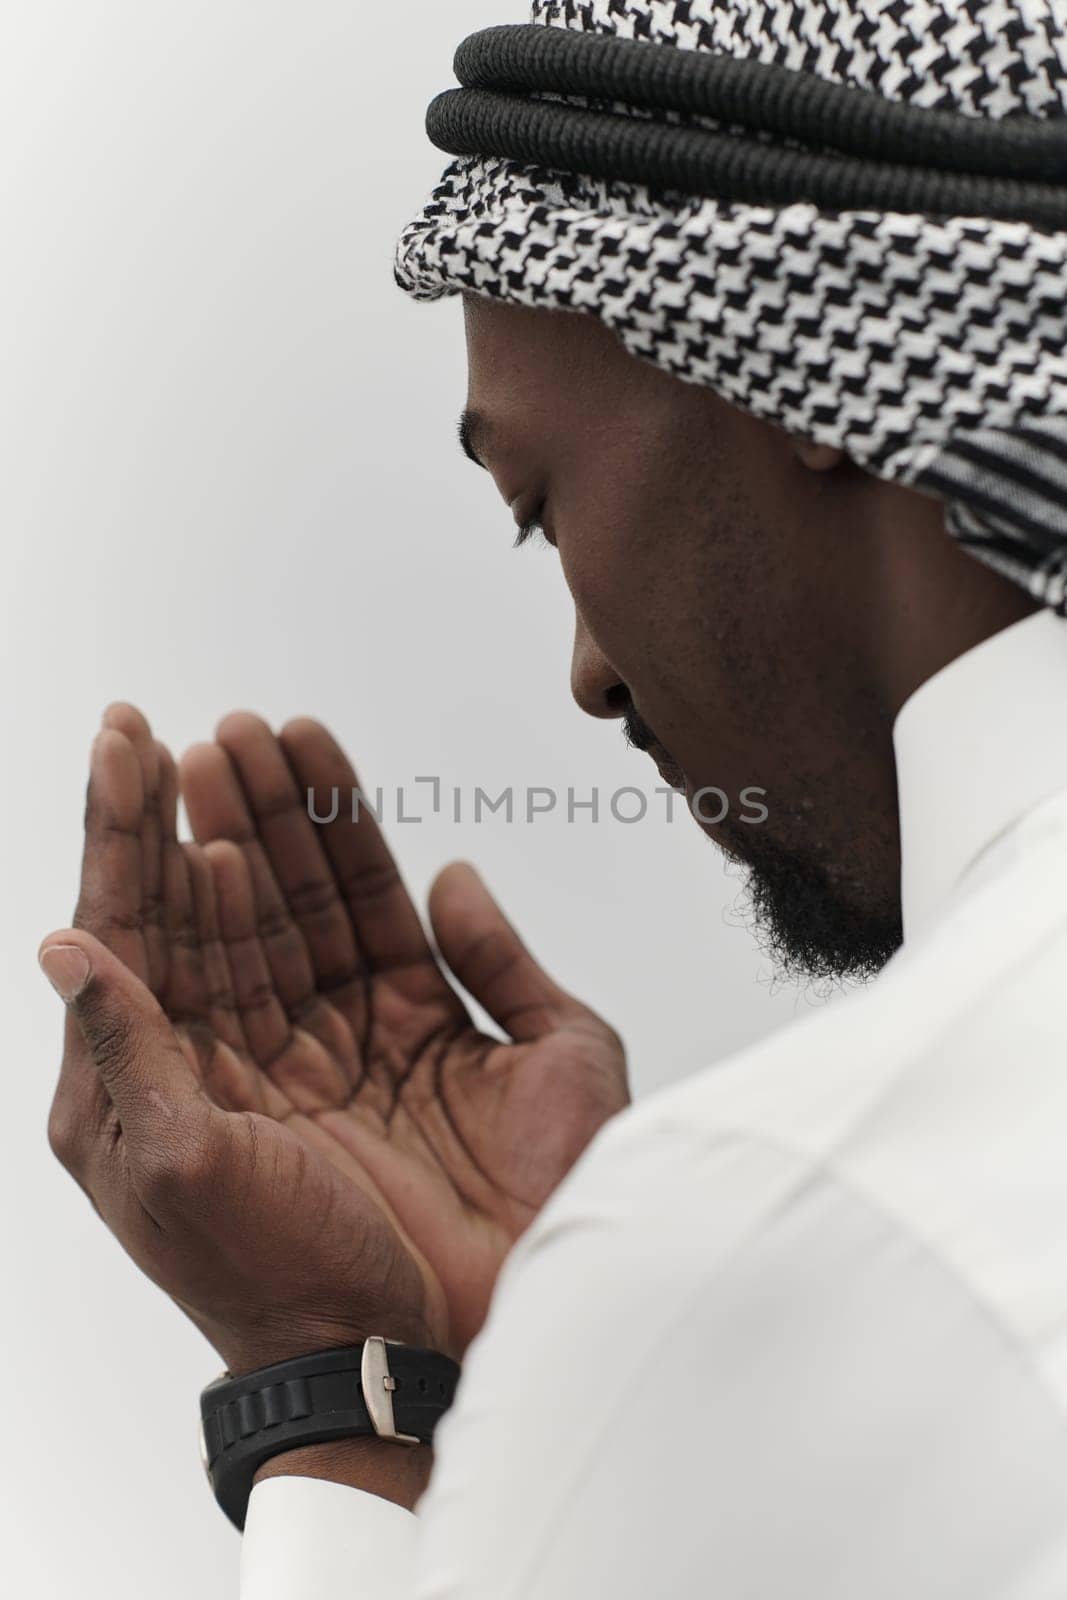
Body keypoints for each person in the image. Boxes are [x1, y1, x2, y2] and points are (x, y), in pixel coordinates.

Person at [40, 2, 1067, 1594]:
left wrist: (346, 1391)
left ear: (790, 360)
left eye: (536, 506)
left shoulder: (802, 1228)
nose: (588, 673)